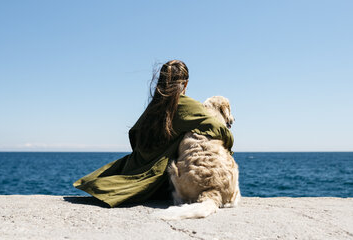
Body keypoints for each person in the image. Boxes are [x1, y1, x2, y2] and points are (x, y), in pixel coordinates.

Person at [73, 60, 234, 207]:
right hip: (157, 179)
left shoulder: (155, 104)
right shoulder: (187, 106)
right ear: (185, 83)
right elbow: (220, 130)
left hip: (135, 164)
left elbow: (134, 133)